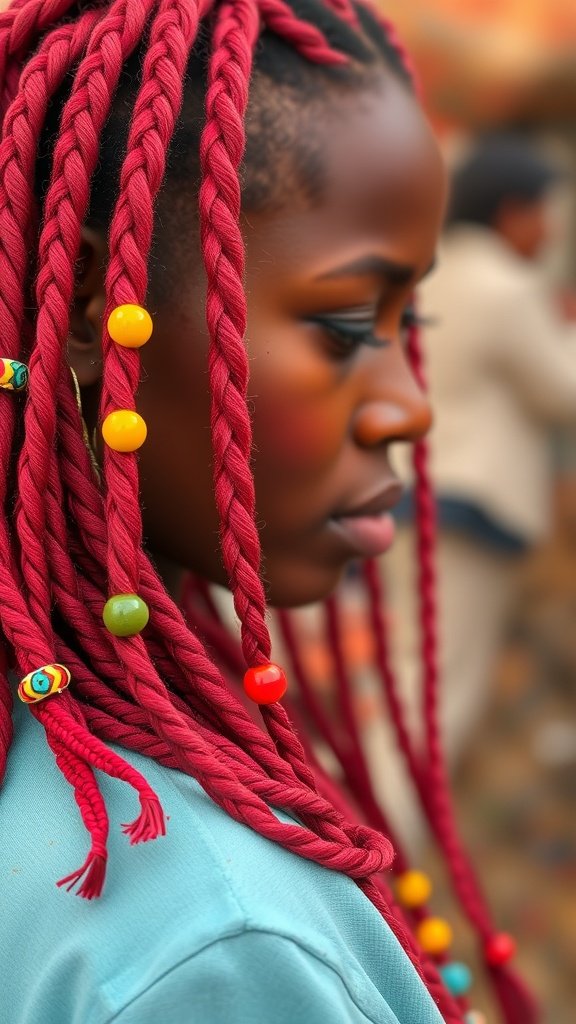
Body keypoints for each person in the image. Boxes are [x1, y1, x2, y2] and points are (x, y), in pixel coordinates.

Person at [0, 5, 534, 1023]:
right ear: (84, 313)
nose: (409, 405)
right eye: (343, 324)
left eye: (405, 321)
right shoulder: (218, 948)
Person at [379, 135, 576, 848]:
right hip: (476, 503)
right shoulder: (505, 284)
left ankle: (374, 841)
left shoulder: (435, 273)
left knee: (411, 679)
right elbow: (564, 392)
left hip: (419, 494)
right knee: (437, 698)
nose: (548, 230)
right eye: (542, 212)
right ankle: (385, 859)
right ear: (510, 209)